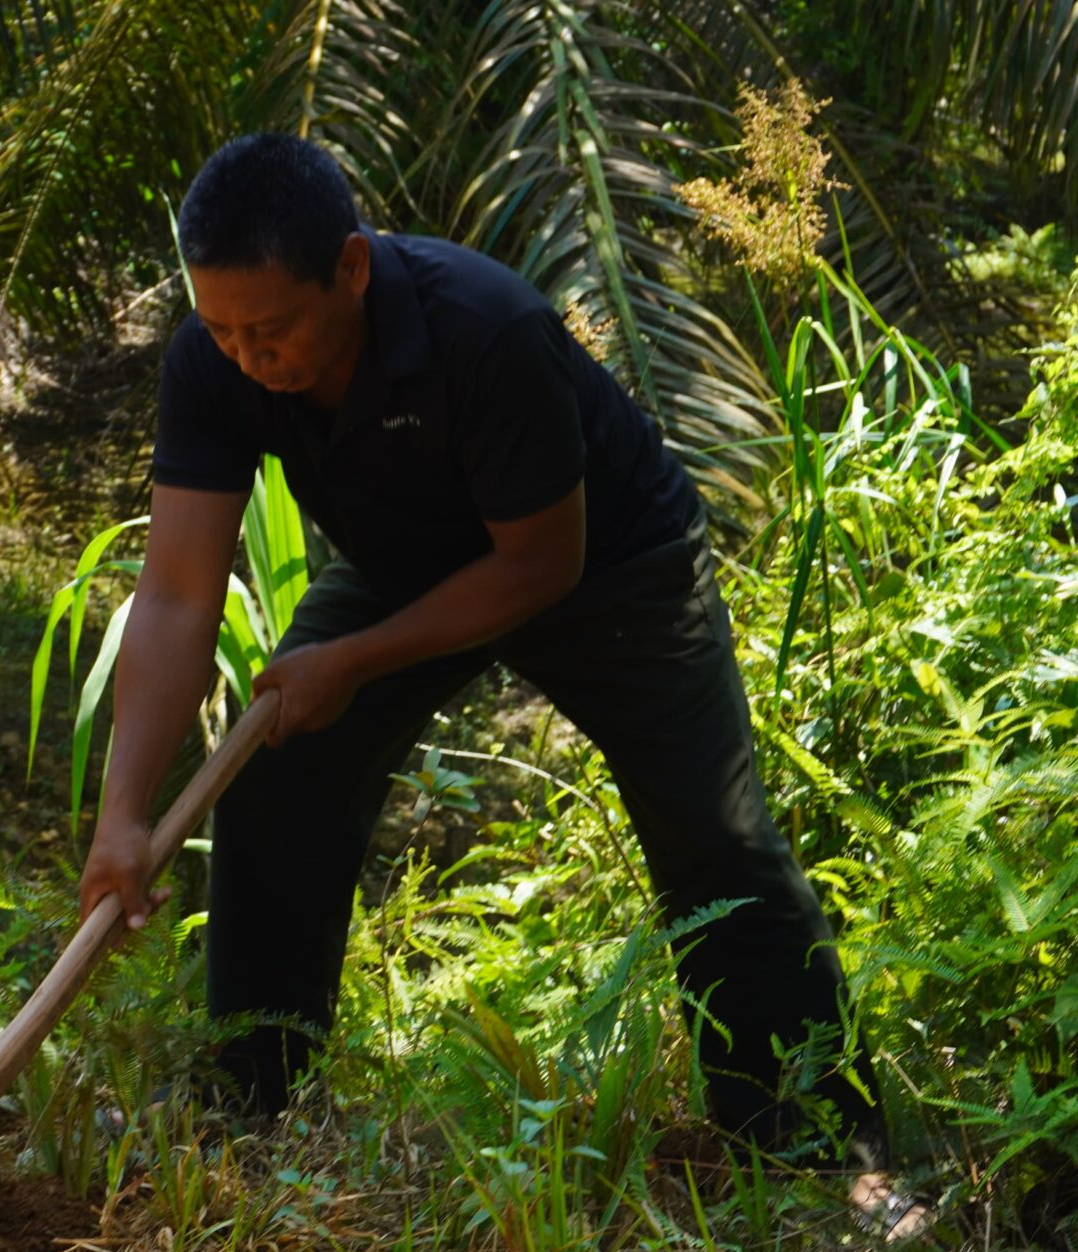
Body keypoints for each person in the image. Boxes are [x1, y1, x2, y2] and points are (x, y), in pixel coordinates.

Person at [76, 132, 880, 1167]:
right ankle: (247, 1107)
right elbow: (179, 593)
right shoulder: (216, 357)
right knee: (275, 775)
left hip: (607, 563)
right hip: (404, 560)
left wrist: (353, 660)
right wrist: (122, 816)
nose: (245, 358)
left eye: (269, 329)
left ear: (351, 268)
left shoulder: (485, 329)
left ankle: (817, 1142)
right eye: (220, 329)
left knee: (714, 841)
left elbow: (539, 567)